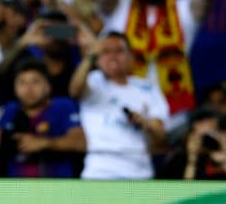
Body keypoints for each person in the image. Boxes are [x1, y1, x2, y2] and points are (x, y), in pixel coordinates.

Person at [70, 32, 169, 180]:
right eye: (106, 52)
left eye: (119, 51)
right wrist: (90, 57)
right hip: (99, 171)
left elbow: (161, 133)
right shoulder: (93, 81)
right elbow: (74, 90)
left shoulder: (147, 88)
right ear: (98, 59)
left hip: (139, 172)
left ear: (131, 57)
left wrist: (145, 122)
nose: (113, 57)